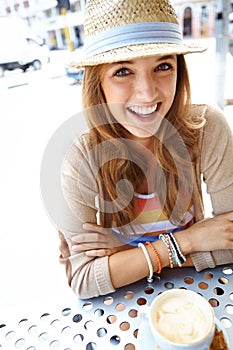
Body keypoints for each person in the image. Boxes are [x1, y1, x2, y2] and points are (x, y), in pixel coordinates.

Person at [58, 0, 233, 299]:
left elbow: (229, 240)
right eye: (123, 71)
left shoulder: (207, 127)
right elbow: (84, 280)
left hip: (198, 294)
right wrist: (187, 242)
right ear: (97, 82)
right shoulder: (80, 158)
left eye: (163, 66)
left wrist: (125, 253)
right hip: (123, 305)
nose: (148, 92)